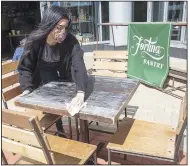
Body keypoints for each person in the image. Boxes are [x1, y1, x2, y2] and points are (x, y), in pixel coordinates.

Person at [17, 6, 88, 137]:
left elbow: (79, 64)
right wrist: (27, 89)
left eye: (65, 28)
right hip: (42, 78)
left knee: (73, 103)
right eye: (59, 28)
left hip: (62, 77)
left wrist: (81, 92)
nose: (63, 32)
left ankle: (71, 132)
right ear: (48, 25)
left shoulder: (70, 41)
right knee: (49, 106)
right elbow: (25, 67)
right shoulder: (35, 41)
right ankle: (58, 131)